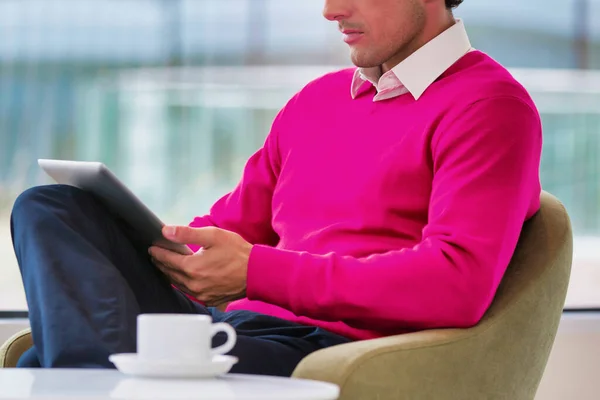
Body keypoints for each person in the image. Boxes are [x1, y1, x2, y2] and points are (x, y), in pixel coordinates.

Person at [10, 0, 542, 377]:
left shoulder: (489, 106)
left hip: (332, 349)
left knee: (41, 364)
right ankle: (98, 371)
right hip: (228, 324)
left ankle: (88, 374)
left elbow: (455, 284)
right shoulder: (317, 101)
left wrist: (258, 271)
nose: (330, 10)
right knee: (50, 207)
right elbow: (230, 229)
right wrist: (164, 246)